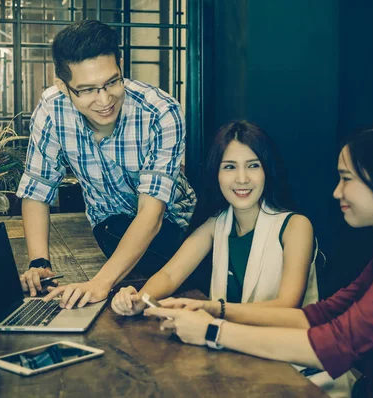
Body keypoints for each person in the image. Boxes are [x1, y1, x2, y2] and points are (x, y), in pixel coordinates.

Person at [145, 121, 373, 398]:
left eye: (346, 179)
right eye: (229, 167)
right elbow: (319, 315)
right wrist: (215, 311)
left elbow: (335, 342)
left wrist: (212, 330)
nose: (336, 191)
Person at [16, 20, 196, 309]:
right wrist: (40, 263)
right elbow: (38, 188)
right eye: (87, 90)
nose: (104, 100)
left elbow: (152, 214)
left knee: (196, 270)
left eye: (112, 82)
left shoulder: (161, 111)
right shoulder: (51, 109)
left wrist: (100, 283)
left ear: (121, 65)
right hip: (110, 226)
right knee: (118, 242)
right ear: (63, 86)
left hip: (173, 223)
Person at [111, 120, 319, 317]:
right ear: (216, 173)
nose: (242, 178)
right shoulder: (215, 224)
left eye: (253, 165)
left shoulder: (296, 226)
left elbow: (288, 305)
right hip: (229, 345)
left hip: (285, 348)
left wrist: (213, 309)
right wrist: (139, 299)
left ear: (267, 170)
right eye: (229, 167)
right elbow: (170, 275)